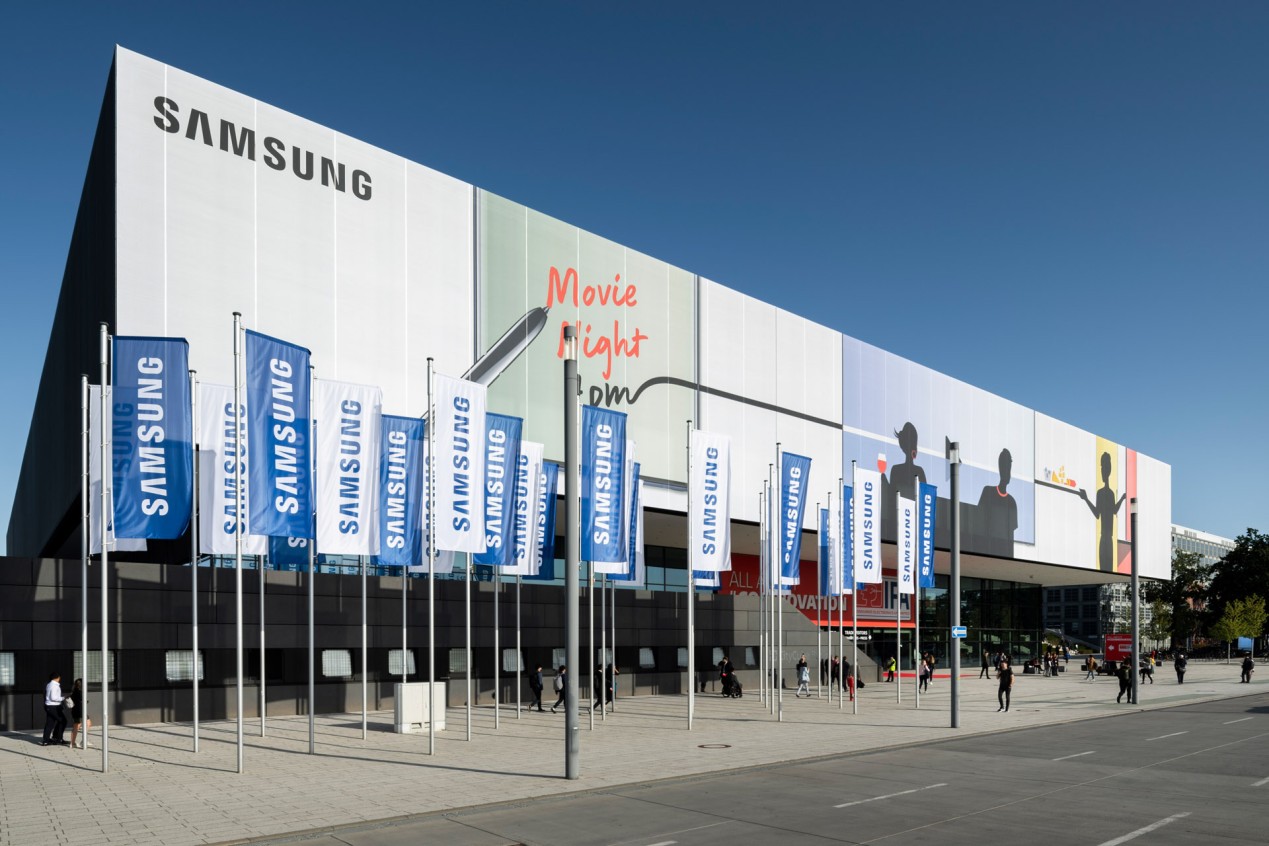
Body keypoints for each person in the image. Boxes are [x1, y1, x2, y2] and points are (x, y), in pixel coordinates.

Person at [42, 671, 67, 746]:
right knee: (63, 721)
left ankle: (46, 740)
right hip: (53, 707)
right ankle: (58, 738)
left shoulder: (49, 684)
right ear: (58, 677)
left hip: (49, 706)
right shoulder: (54, 685)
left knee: (50, 723)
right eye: (59, 677)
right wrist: (63, 698)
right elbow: (53, 697)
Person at [67, 678, 91, 748]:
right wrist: (86, 701)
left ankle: (79, 741)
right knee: (77, 726)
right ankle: (74, 742)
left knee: (86, 724)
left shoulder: (74, 691)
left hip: (77, 711)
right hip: (80, 711)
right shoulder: (78, 692)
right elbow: (82, 701)